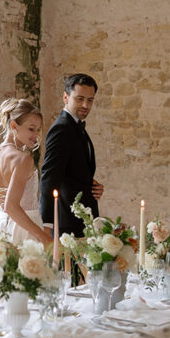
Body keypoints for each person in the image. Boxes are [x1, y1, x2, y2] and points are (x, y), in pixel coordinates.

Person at [0, 99, 52, 251]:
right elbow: (11, 206)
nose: (36, 135)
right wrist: (42, 235)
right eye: (31, 129)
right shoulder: (23, 159)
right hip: (26, 230)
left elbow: (6, 207)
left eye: (38, 130)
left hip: (0, 228)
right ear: (13, 126)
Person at [40, 73, 104, 237]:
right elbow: (49, 178)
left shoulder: (75, 126)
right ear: (65, 97)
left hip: (81, 220)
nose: (85, 105)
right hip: (66, 223)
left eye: (90, 100)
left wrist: (91, 186)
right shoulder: (61, 129)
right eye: (79, 99)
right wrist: (47, 225)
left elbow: (72, 171)